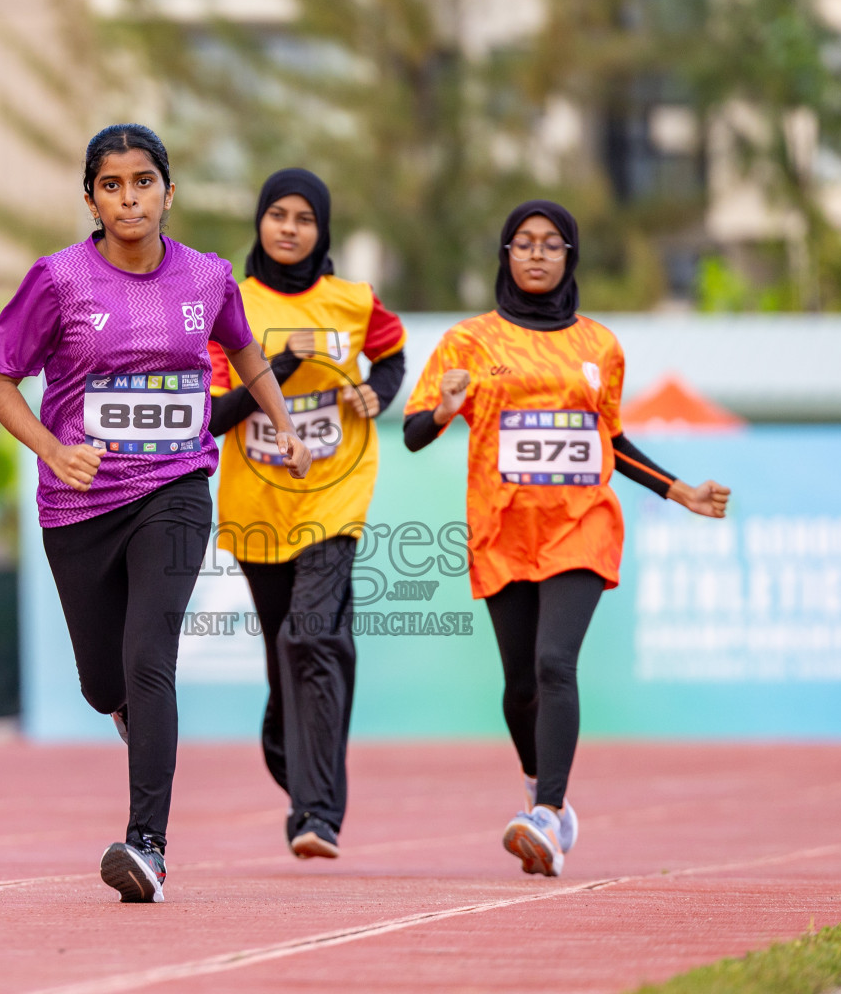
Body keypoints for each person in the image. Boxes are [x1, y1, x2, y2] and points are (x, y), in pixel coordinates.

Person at [0, 124, 312, 904]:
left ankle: (148, 846)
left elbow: (249, 353)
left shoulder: (207, 277)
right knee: (105, 684)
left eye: (143, 182)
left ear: (169, 190)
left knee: (148, 655)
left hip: (175, 486)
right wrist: (53, 452)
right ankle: (131, 718)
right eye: (111, 185)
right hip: (79, 503)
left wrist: (285, 427)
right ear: (92, 198)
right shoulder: (58, 280)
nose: (129, 198)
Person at [402, 200, 730, 878]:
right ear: (505, 255)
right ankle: (537, 784)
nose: (537, 254)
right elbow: (414, 433)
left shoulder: (600, 347)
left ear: (570, 257)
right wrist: (444, 406)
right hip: (502, 529)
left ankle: (548, 815)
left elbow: (610, 440)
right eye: (523, 243)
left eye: (552, 244)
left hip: (581, 524)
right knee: (520, 684)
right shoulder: (470, 341)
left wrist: (679, 490)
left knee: (556, 663)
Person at [206, 168, 406, 859]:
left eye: (305, 219)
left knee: (311, 634)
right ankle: (290, 749)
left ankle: (316, 815)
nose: (289, 228)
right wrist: (277, 373)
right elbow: (211, 415)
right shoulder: (227, 302)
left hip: (336, 490)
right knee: (286, 655)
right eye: (278, 215)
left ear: (323, 231)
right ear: (259, 222)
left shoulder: (354, 300)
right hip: (258, 499)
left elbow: (392, 352)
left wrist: (377, 393)